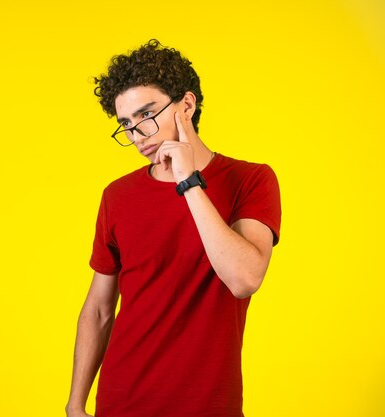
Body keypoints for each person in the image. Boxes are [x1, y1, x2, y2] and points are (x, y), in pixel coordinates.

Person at [65, 39, 282, 417]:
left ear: (186, 105)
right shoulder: (118, 196)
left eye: (147, 114)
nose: (138, 134)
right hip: (121, 401)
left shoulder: (250, 180)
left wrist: (189, 181)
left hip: (207, 405)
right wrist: (74, 404)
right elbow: (99, 309)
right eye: (127, 125)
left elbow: (244, 278)